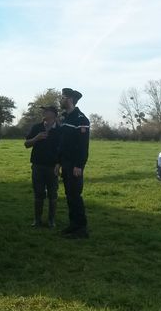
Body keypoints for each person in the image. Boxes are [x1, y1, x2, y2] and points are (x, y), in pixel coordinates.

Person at [55, 87, 90, 239]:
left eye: (63, 97)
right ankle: (73, 225)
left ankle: (81, 229)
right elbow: (61, 143)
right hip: (65, 163)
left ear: (69, 99)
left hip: (74, 165)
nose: (61, 100)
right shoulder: (65, 118)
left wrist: (79, 165)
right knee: (69, 195)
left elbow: (82, 146)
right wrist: (58, 162)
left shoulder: (81, 119)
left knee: (75, 196)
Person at [24, 105, 61, 228]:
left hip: (53, 167)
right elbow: (26, 144)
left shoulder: (61, 129)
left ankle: (51, 221)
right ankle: (37, 220)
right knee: (38, 193)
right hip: (37, 166)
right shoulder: (37, 127)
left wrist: (58, 164)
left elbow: (63, 150)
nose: (44, 112)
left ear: (54, 114)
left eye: (47, 111)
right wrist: (36, 138)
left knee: (52, 194)